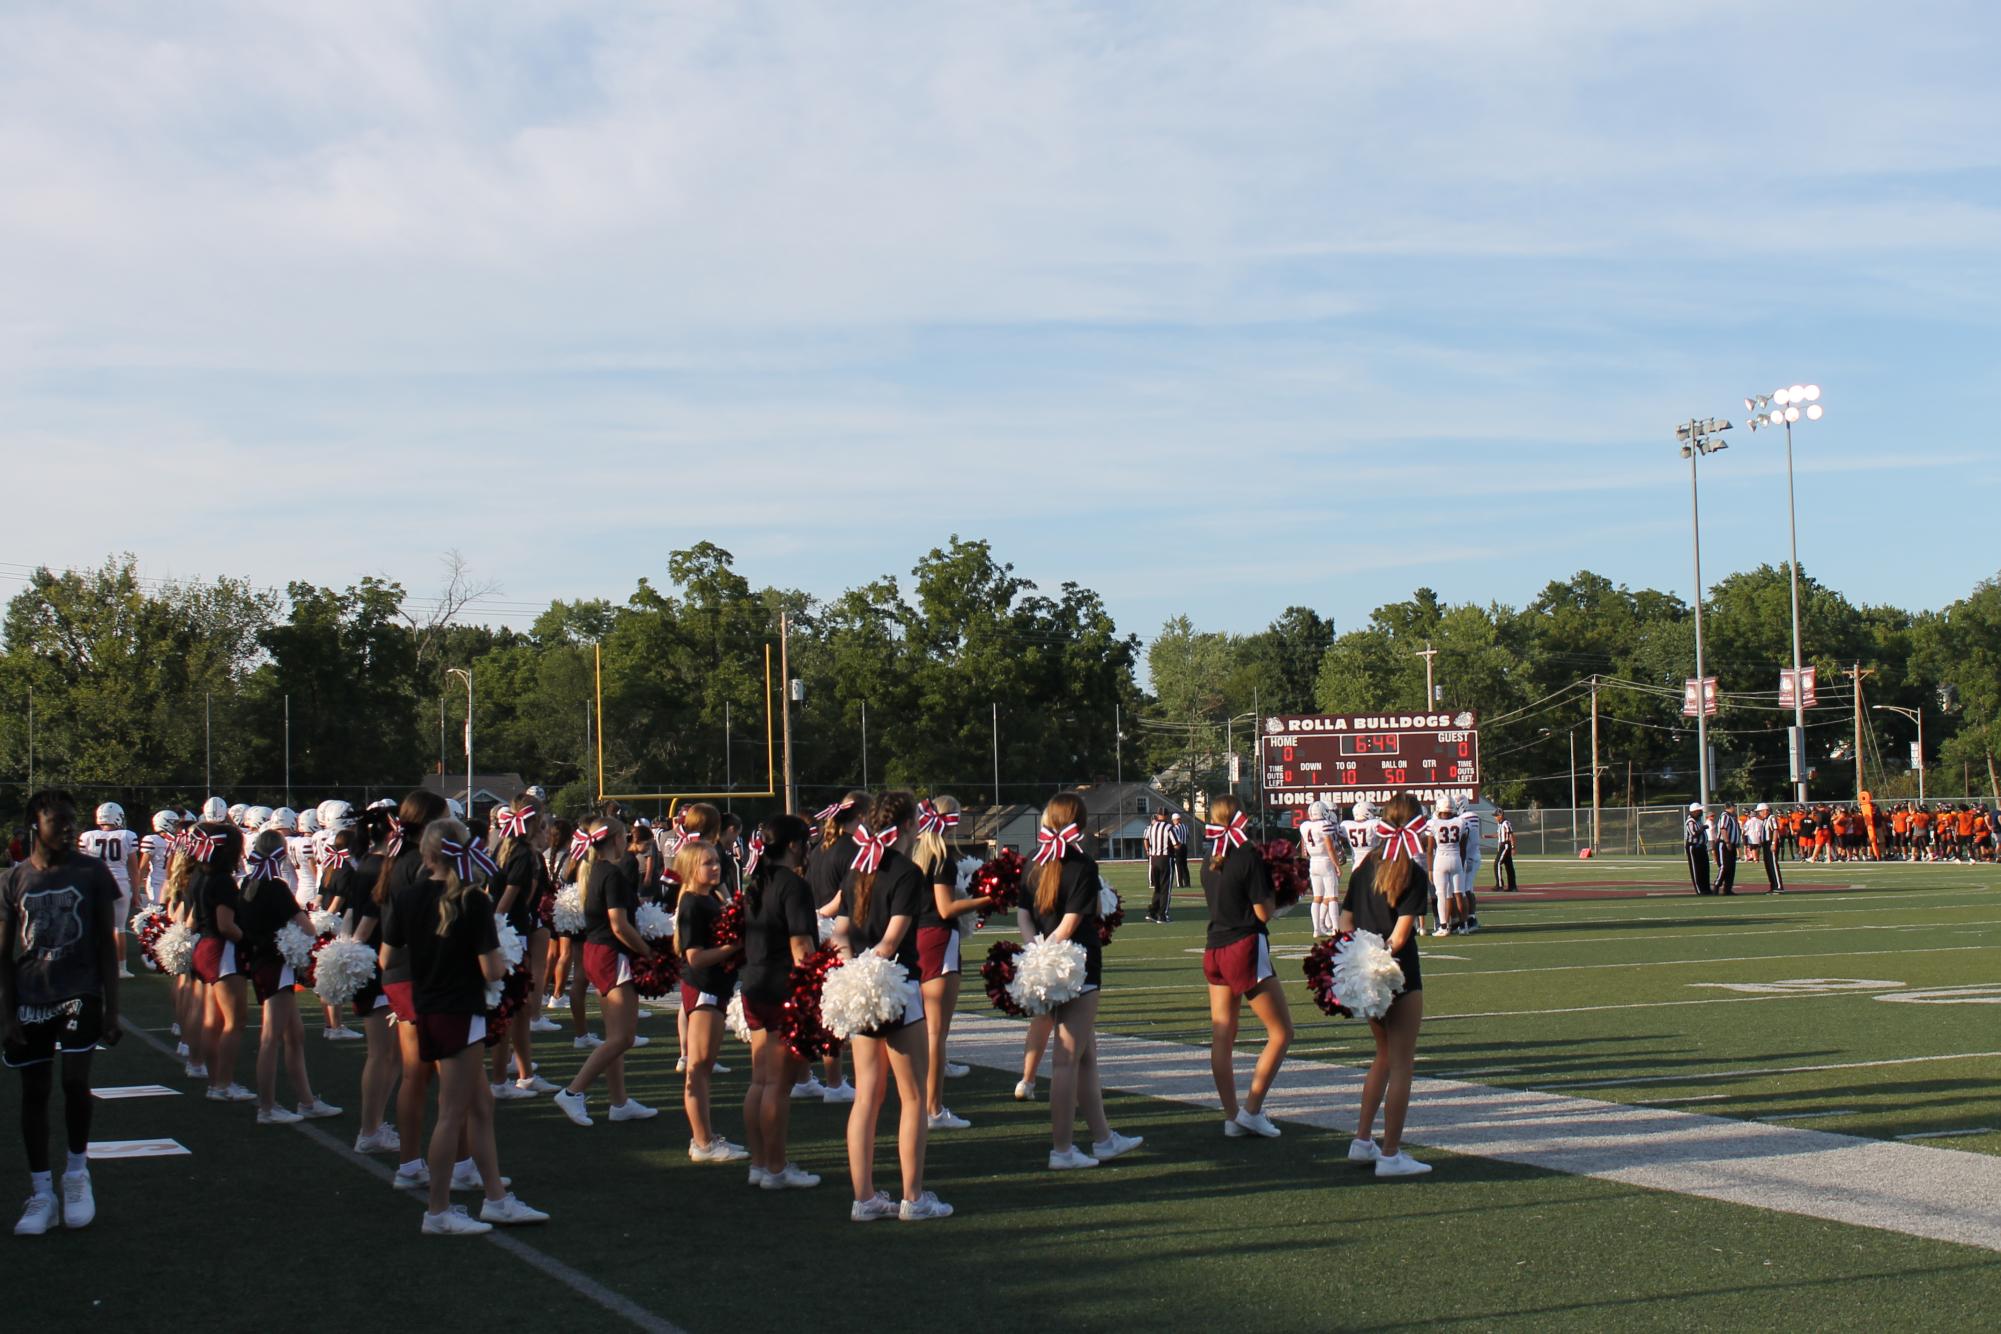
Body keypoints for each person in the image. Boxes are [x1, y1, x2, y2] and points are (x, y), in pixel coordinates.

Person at [384, 818, 549, 1234]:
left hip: (427, 1006)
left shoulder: (406, 897)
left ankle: (496, 1198)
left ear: (426, 854)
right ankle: (437, 1211)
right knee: (452, 1112)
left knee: (480, 1106)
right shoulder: (471, 900)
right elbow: (492, 969)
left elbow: (387, 958)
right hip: (461, 1009)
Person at [2, 791, 122, 1235]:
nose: (69, 828)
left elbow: (107, 948)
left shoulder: (91, 872)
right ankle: (41, 1192)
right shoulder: (14, 879)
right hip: (32, 993)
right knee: (34, 1092)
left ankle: (76, 1173)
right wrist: (7, 1014)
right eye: (59, 820)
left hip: (80, 990)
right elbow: (3, 953)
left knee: (74, 1080)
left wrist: (112, 1008)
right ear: (36, 822)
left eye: (72, 820)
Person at [834, 791, 952, 1220]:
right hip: (897, 989)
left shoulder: (856, 870)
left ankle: (863, 1198)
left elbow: (839, 932)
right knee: (913, 1096)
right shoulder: (906, 873)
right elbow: (893, 939)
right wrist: (874, 971)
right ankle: (913, 1199)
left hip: (864, 993)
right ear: (906, 825)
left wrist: (852, 974)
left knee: (866, 1095)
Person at [1021, 792, 1142, 1174]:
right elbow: (1073, 922)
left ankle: (1104, 1138)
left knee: (1085, 1056)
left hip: (1048, 964)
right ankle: (1062, 1149)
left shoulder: (1032, 862)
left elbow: (1023, 916)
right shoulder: (1083, 865)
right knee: (1066, 1060)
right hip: (1079, 966)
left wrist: (1037, 951)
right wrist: (1053, 952)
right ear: (1081, 823)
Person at [1341, 793, 1430, 1178]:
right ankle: (1391, 1154)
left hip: (1366, 974)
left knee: (1382, 1056)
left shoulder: (1364, 868)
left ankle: (1362, 1141)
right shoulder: (1412, 871)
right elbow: (1400, 937)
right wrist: (1380, 960)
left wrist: (1361, 961)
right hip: (1400, 974)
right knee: (1401, 1063)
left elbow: (1343, 924)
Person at [553, 811, 659, 1127]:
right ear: (615, 840)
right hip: (611, 955)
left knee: (615, 1036)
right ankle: (572, 1092)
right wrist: (648, 951)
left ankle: (619, 1102)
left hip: (595, 952)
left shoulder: (592, 870)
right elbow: (618, 924)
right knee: (623, 1038)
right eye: (624, 837)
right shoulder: (611, 875)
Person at [375, 789, 454, 1191]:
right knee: (453, 1080)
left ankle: (410, 1163)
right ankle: (461, 1167)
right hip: (424, 976)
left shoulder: (395, 859)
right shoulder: (423, 868)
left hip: (401, 975)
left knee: (415, 1075)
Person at [738, 814, 822, 1190]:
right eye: (805, 841)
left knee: (759, 1081)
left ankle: (759, 1164)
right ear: (793, 845)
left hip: (753, 984)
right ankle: (776, 1168)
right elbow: (801, 944)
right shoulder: (793, 885)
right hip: (781, 988)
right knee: (778, 1085)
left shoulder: (757, 880)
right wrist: (816, 989)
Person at [1200, 797, 1291, 1139]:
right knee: (1281, 1033)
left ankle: (1230, 1116)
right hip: (1244, 947)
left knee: (1222, 1034)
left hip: (1213, 949)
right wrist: (1281, 897)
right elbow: (1262, 913)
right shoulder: (1246, 855)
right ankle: (1251, 1110)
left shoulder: (1209, 859)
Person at [235, 833, 339, 1124]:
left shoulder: (247, 884)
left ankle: (306, 1101)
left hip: (261, 961)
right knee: (271, 1038)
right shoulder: (276, 887)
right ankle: (266, 1108)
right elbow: (306, 927)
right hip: (276, 964)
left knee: (295, 1035)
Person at [909, 796, 991, 1130]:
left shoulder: (914, 855)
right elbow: (944, 909)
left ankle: (920, 1106)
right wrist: (990, 898)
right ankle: (933, 1109)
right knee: (936, 1033)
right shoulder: (941, 858)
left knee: (920, 1028)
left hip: (915, 938)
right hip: (939, 938)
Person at [675, 839, 743, 1159]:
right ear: (690, 868)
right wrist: (733, 947)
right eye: (707, 863)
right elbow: (695, 957)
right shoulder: (691, 903)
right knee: (698, 1068)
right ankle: (702, 1143)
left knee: (706, 1065)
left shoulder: (712, 896)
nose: (715, 867)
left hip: (717, 987)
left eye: (716, 861)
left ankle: (707, 1136)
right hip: (703, 986)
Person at [798, 792, 867, 1104]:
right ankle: (836, 1083)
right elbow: (849, 896)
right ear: (861, 817)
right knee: (834, 1009)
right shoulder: (853, 850)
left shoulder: (818, 847)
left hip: (814, 930)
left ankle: (803, 1078)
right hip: (838, 933)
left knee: (810, 1009)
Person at [486, 796, 555, 1100]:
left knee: (521, 1009)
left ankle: (525, 1075)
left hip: (512, 932)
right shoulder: (525, 856)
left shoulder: (503, 847)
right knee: (511, 1008)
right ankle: (500, 1081)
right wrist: (498, 929)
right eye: (541, 824)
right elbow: (510, 897)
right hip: (512, 936)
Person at [77, 803, 139, 979]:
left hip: (95, 883)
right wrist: (136, 893)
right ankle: (121, 968)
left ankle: (93, 965)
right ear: (118, 817)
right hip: (120, 884)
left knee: (94, 926)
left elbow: (81, 866)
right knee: (118, 928)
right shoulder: (127, 835)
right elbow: (134, 869)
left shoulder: (87, 836)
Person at [1428, 796, 1470, 935]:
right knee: (1459, 894)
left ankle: (1444, 926)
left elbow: (1429, 850)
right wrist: (1462, 862)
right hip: (1456, 858)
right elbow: (1463, 847)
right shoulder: (1461, 822)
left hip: (1440, 860)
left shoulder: (1433, 823)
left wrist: (1429, 869)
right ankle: (1464, 926)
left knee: (1441, 895)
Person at [1299, 802, 1341, 938]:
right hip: (1325, 862)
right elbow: (1329, 848)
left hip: (1313, 862)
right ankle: (1335, 928)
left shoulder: (1304, 826)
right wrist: (1337, 865)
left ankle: (1317, 929)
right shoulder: (1324, 825)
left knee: (1317, 897)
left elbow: (1306, 848)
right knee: (1332, 896)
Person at [1143, 810, 1175, 924]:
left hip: (1154, 859)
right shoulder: (1169, 827)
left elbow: (1145, 839)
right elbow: (1177, 843)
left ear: (1157, 815)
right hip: (1165, 858)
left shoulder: (1151, 827)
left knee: (1157, 888)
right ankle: (1162, 915)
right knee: (1166, 888)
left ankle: (1152, 913)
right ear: (1166, 816)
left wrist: (1148, 851)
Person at [1746, 802, 1784, 893]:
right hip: (1766, 844)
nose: (1759, 813)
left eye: (1760, 811)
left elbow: (1775, 830)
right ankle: (1773, 885)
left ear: (1765, 811)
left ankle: (1778, 886)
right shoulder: (1765, 820)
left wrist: (1774, 843)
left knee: (1773, 865)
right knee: (1768, 865)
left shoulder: (1771, 818)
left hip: (1771, 843)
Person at [1684, 802, 1712, 895]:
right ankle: (1700, 890)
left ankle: (1706, 888)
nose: (1701, 812)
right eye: (1699, 810)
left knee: (1704, 868)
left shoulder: (1698, 820)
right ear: (1694, 811)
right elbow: (1694, 833)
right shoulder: (1690, 821)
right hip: (1694, 847)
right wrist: (1703, 828)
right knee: (1696, 869)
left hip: (1701, 847)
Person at [1714, 802, 1741, 895]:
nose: (1735, 809)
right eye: (1734, 807)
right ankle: (1717, 885)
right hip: (1724, 844)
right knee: (1725, 866)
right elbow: (1723, 829)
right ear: (1730, 807)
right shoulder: (1725, 816)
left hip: (1731, 844)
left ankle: (1727, 888)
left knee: (1731, 867)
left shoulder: (1732, 817)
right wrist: (1727, 842)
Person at [1493, 811, 1518, 892]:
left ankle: (1500, 885)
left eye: (1496, 816)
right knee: (1509, 866)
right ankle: (1512, 886)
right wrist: (1487, 836)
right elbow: (1499, 835)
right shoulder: (1500, 824)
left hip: (1505, 845)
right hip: (1502, 845)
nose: (1495, 817)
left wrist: (1513, 847)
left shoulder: (1505, 823)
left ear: (1500, 815)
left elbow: (1511, 835)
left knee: (1497, 864)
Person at [1168, 812, 1191, 888]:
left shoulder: (1174, 828)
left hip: (1178, 847)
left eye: (1173, 820)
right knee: (1184, 865)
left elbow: (1173, 839)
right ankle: (1187, 883)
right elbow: (1188, 836)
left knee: (1178, 865)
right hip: (1185, 846)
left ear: (1175, 820)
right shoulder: (1185, 827)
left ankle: (1180, 883)